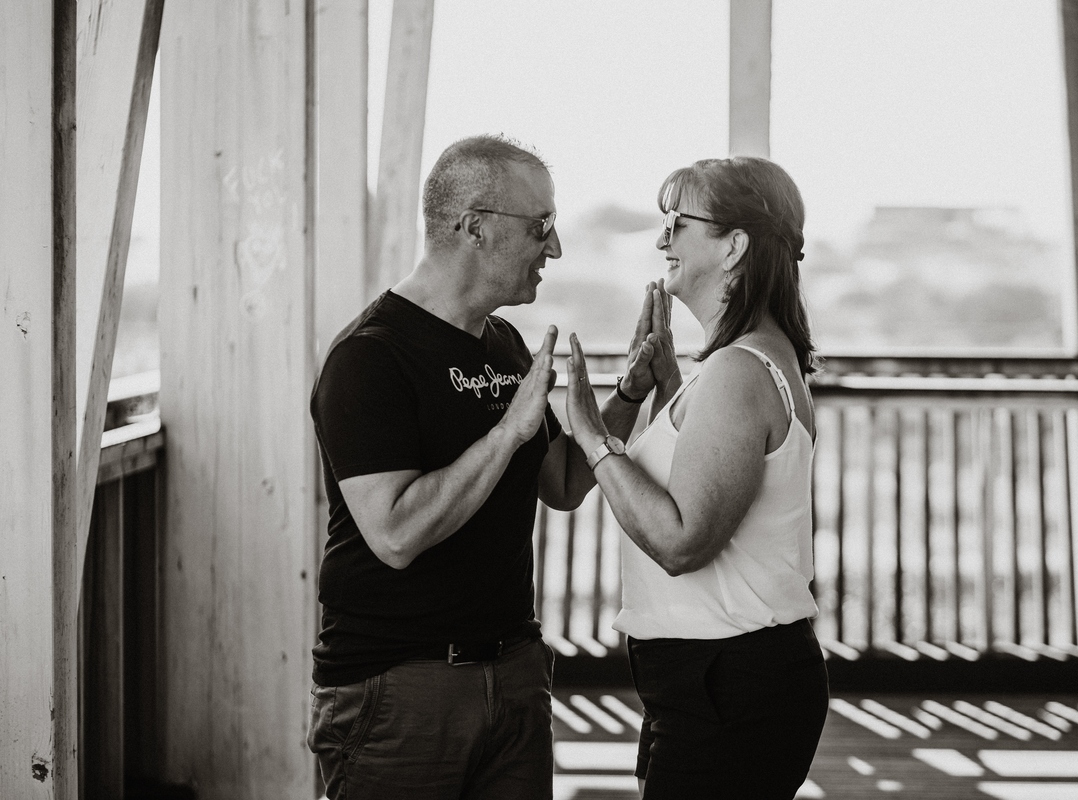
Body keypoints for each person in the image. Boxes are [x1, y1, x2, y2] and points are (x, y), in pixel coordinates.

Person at [306, 135, 665, 800]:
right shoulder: (370, 358)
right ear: (474, 226)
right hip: (399, 685)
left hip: (513, 671)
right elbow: (394, 536)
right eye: (541, 227)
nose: (553, 249)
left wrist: (629, 396)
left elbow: (559, 482)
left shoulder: (501, 341)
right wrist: (507, 433)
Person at [565, 156, 829, 800]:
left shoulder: (740, 371)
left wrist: (589, 431)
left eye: (679, 223)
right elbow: (704, 475)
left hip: (730, 686)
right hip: (708, 683)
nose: (662, 240)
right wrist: (659, 389)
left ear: (734, 245)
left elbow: (684, 542)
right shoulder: (737, 365)